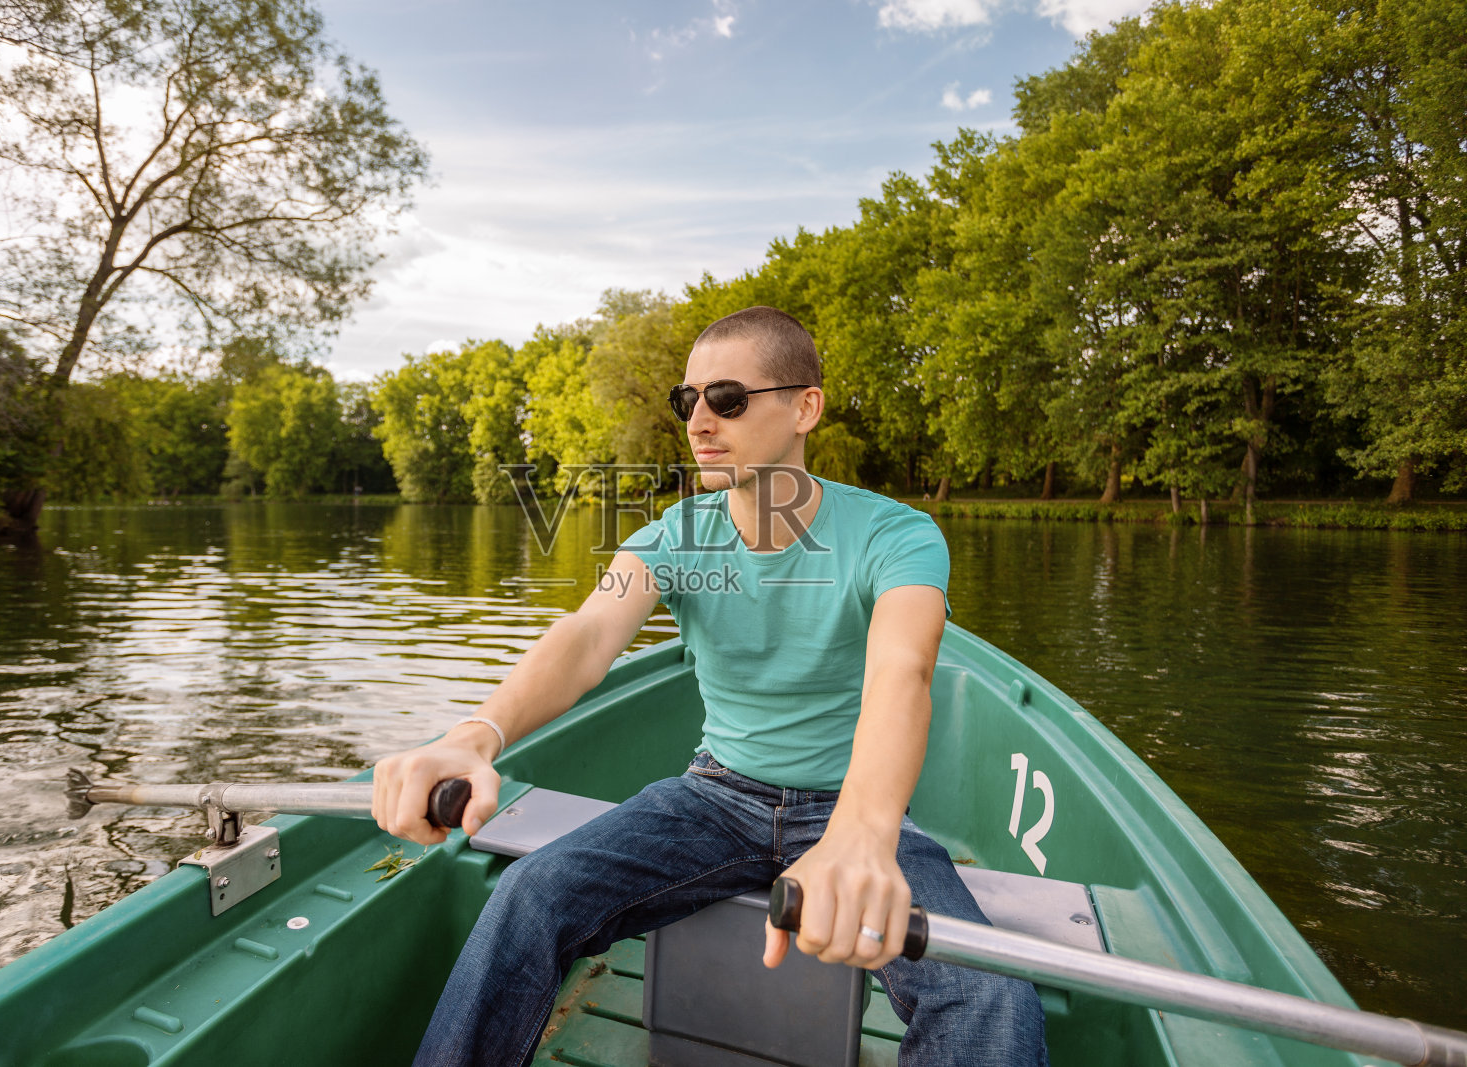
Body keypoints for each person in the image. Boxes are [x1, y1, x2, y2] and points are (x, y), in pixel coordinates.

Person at [371, 306, 1049, 1066]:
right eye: (686, 399)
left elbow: (904, 670)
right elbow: (587, 636)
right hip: (715, 798)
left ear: (805, 407)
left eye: (727, 398)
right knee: (529, 895)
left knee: (991, 998)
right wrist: (476, 733)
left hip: (853, 806)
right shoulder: (676, 535)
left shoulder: (897, 535)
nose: (699, 420)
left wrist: (862, 833)